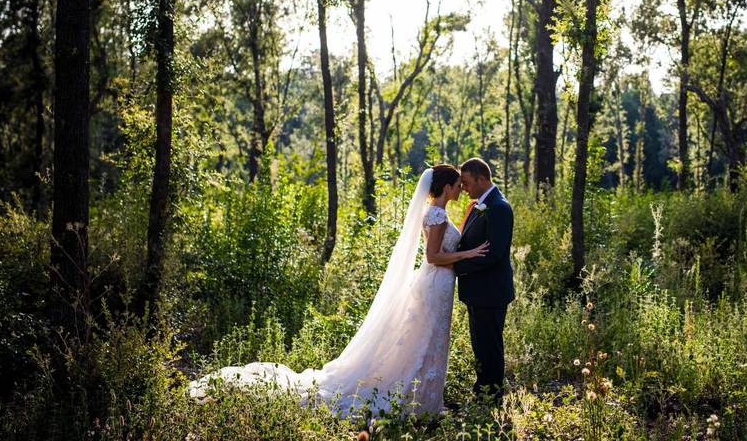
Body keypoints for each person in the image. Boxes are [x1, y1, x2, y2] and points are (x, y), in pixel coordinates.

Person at [187, 165, 489, 417]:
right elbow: (433, 256)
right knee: (424, 341)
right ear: (446, 187)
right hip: (435, 281)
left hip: (440, 284)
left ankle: (425, 399)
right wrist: (467, 254)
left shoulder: (440, 212)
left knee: (429, 340)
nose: (461, 189)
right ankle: (416, 401)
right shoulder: (435, 215)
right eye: (457, 185)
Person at [454, 157, 515, 401]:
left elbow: (493, 253)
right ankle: (482, 389)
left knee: (490, 345)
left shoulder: (499, 207)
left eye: (467, 182)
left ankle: (493, 395)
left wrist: (456, 267)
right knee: (480, 343)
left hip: (491, 291)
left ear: (481, 178)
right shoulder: (480, 204)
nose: (464, 187)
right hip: (477, 290)